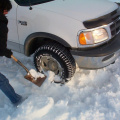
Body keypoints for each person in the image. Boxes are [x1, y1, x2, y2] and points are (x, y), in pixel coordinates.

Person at [0, 0, 23, 106]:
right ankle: (17, 100)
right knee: (2, 81)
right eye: (6, 11)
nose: (7, 13)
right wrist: (5, 52)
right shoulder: (2, 25)